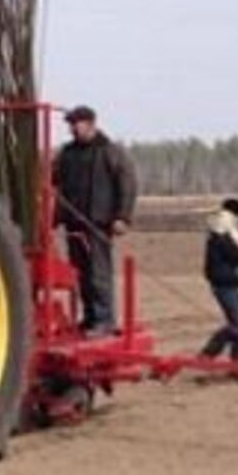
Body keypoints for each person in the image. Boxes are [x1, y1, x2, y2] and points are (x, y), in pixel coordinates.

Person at [52, 105, 138, 336]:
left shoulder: (109, 151)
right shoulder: (67, 154)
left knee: (98, 273)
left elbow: (127, 184)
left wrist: (122, 217)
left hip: (98, 223)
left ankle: (104, 320)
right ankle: (90, 318)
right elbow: (52, 183)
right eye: (70, 124)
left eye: (75, 124)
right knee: (80, 273)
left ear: (90, 123)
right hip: (73, 223)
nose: (71, 129)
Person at [199, 197, 238, 380]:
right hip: (225, 284)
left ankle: (237, 367)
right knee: (237, 326)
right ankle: (208, 354)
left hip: (234, 283)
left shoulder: (228, 230)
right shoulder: (221, 231)